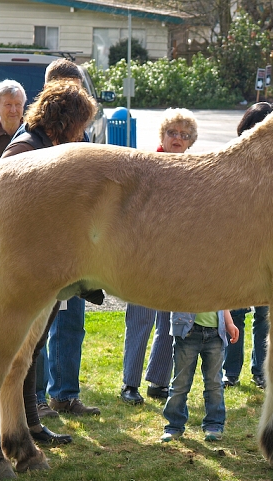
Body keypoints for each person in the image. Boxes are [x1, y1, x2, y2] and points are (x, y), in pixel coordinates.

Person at [1, 79, 98, 445]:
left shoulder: (45, 146)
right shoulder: (27, 151)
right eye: (81, 126)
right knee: (22, 349)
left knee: (34, 348)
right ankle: (17, 426)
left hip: (50, 265)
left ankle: (30, 425)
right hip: (31, 266)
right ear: (65, 122)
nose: (83, 135)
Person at [25, 59, 102, 419]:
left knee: (70, 326)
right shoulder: (28, 144)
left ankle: (65, 395)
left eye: (78, 87)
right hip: (43, 255)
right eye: (67, 89)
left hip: (74, 253)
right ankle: (35, 400)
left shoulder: (80, 135)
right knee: (36, 330)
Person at [120, 108, 199, 404]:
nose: (177, 139)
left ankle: (158, 381)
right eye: (172, 133)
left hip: (177, 258)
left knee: (170, 323)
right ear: (162, 136)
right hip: (143, 256)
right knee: (140, 320)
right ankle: (130, 383)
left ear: (190, 141)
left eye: (184, 135)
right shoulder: (146, 166)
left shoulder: (195, 170)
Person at [222, 102, 273, 389]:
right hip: (239, 250)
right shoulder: (232, 157)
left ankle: (261, 373)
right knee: (237, 314)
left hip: (267, 250)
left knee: (264, 317)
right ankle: (230, 372)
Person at [160, 310, 239, 442]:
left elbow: (222, 302)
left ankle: (214, 425)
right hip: (187, 334)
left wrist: (229, 323)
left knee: (214, 384)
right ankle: (174, 426)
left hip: (215, 334)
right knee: (180, 383)